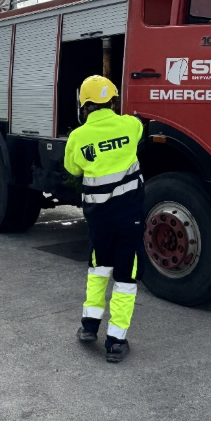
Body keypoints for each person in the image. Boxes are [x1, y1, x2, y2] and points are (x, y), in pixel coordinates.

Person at [64, 75, 144, 363]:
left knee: (98, 269)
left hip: (99, 221)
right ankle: (115, 342)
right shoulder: (129, 126)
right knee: (125, 278)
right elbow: (140, 129)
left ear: (84, 106)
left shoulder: (78, 137)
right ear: (113, 102)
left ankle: (89, 327)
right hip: (129, 220)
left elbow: (72, 168)